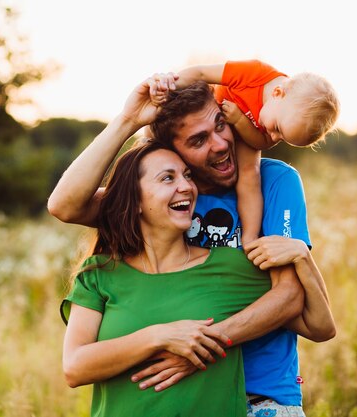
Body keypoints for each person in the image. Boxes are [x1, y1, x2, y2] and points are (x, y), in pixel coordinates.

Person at [50, 77, 335, 416]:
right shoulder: (168, 202)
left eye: (221, 124)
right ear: (173, 149)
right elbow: (65, 205)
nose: (220, 144)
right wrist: (127, 121)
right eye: (198, 139)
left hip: (264, 395)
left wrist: (196, 348)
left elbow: (291, 297)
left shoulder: (276, 181)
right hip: (193, 395)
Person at [63, 140, 285, 415]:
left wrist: (301, 254)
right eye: (168, 178)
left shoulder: (230, 266)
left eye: (187, 175)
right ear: (136, 202)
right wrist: (160, 336)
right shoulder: (99, 273)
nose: (186, 187)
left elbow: (300, 305)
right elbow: (74, 367)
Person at [150, 60, 340, 248]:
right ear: (277, 93)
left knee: (250, 173)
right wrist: (168, 85)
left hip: (245, 130)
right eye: (276, 129)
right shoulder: (253, 74)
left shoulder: (279, 180)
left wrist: (240, 121)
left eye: (281, 137)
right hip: (223, 104)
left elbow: (259, 141)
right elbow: (201, 73)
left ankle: (249, 238)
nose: (273, 137)